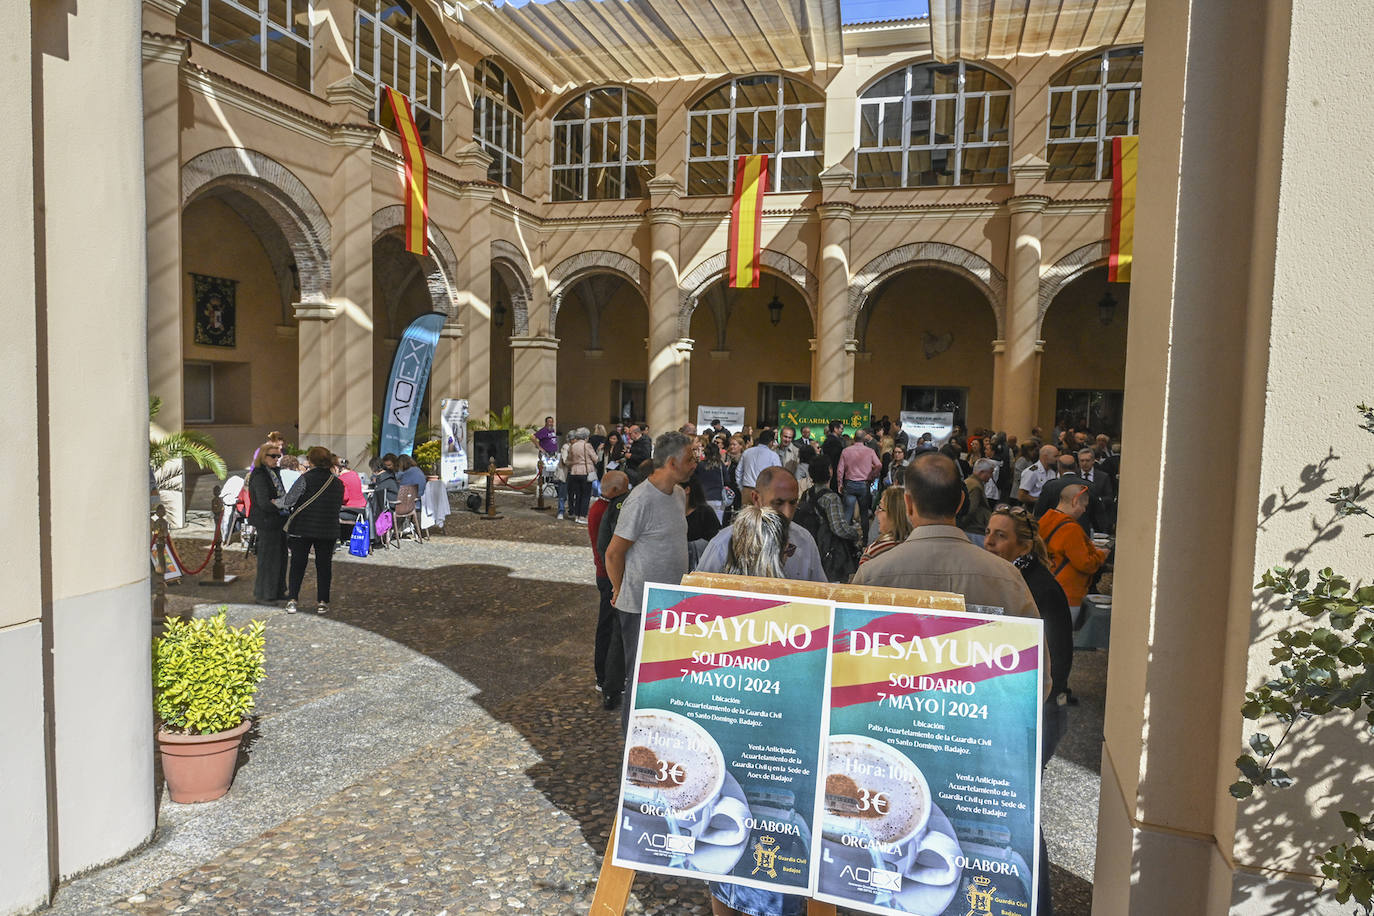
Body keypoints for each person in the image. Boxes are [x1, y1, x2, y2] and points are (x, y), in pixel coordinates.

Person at [705, 504, 810, 916]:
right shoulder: (801, 616)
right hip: (776, 769)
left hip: (720, 767)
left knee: (724, 861)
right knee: (777, 874)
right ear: (783, 552)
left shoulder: (705, 609)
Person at [854, 453, 1042, 623]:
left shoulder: (871, 574)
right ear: (961, 502)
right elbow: (1035, 655)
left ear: (908, 504)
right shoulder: (1008, 577)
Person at [604, 431, 697, 729]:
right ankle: (632, 737)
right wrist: (619, 589)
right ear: (671, 463)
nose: (695, 463)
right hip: (640, 605)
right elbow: (613, 554)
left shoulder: (679, 494)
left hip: (671, 604)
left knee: (664, 674)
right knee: (640, 676)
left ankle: (657, 731)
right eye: (690, 458)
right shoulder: (640, 500)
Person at [985, 505, 1075, 713]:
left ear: (1024, 546)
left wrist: (1036, 708)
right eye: (988, 532)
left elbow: (1057, 659)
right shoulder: (1000, 576)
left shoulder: (1042, 590)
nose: (988, 541)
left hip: (1034, 709)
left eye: (1000, 535)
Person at [696, 466, 825, 582]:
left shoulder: (804, 540)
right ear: (756, 498)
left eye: (793, 503)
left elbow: (821, 593)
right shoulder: (723, 544)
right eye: (778, 503)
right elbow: (698, 595)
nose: (787, 512)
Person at [282, 446, 345, 614]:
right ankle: (323, 601)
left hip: (302, 527)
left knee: (298, 564)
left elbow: (288, 501)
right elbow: (337, 505)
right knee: (324, 565)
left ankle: (293, 599)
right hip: (327, 528)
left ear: (310, 461)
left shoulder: (305, 479)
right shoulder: (337, 483)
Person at [588, 470, 629, 710]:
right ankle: (604, 676)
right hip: (608, 575)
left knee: (608, 625)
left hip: (605, 573)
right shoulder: (608, 510)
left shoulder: (601, 507)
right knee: (608, 626)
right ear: (614, 491)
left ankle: (605, 675)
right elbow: (609, 548)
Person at [1039, 481, 1109, 615]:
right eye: (1084, 506)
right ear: (1075, 501)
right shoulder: (1071, 529)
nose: (1084, 510)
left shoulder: (1045, 520)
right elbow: (1086, 564)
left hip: (1047, 587)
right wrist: (1102, 555)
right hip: (1068, 593)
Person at [804, 456, 862, 582]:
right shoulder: (831, 498)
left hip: (813, 543)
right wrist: (855, 533)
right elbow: (838, 528)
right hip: (829, 548)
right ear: (829, 471)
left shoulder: (808, 493)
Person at [248, 441, 288, 604]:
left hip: (279, 520)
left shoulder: (274, 473)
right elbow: (264, 502)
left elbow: (280, 496)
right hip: (266, 521)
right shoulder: (259, 475)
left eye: (278, 456)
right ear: (263, 457)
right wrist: (279, 504)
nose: (276, 459)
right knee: (268, 558)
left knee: (280, 557)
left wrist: (280, 503)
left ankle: (278, 590)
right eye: (273, 456)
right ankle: (264, 593)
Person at [836, 428, 882, 539]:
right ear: (864, 438)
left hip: (849, 483)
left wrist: (839, 484)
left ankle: (845, 540)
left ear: (854, 438)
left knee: (847, 513)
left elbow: (840, 470)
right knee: (864, 514)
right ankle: (866, 539)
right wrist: (871, 476)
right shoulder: (869, 451)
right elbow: (879, 465)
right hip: (863, 484)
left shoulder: (846, 451)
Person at [859, 484, 912, 567]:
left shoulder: (874, 553)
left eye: (880, 508)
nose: (876, 513)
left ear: (895, 515)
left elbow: (861, 579)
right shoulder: (920, 548)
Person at [737, 428, 782, 505]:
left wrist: (741, 488)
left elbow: (738, 472)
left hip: (747, 490)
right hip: (763, 492)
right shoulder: (773, 455)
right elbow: (778, 475)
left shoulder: (747, 452)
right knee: (761, 515)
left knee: (746, 515)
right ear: (771, 442)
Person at [960, 458, 997, 544]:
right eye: (990, 473)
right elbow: (970, 511)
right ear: (982, 472)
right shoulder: (976, 487)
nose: (991, 476)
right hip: (974, 530)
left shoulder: (969, 482)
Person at [693, 437, 730, 523]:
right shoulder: (721, 465)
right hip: (718, 498)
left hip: (703, 497)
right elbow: (727, 480)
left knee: (704, 523)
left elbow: (695, 480)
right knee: (718, 523)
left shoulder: (700, 465)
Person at [566, 427, 598, 524]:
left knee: (578, 494)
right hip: (585, 472)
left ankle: (577, 515)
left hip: (574, 472)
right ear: (586, 437)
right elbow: (595, 459)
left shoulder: (573, 446)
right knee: (586, 495)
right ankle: (582, 516)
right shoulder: (587, 446)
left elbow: (569, 459)